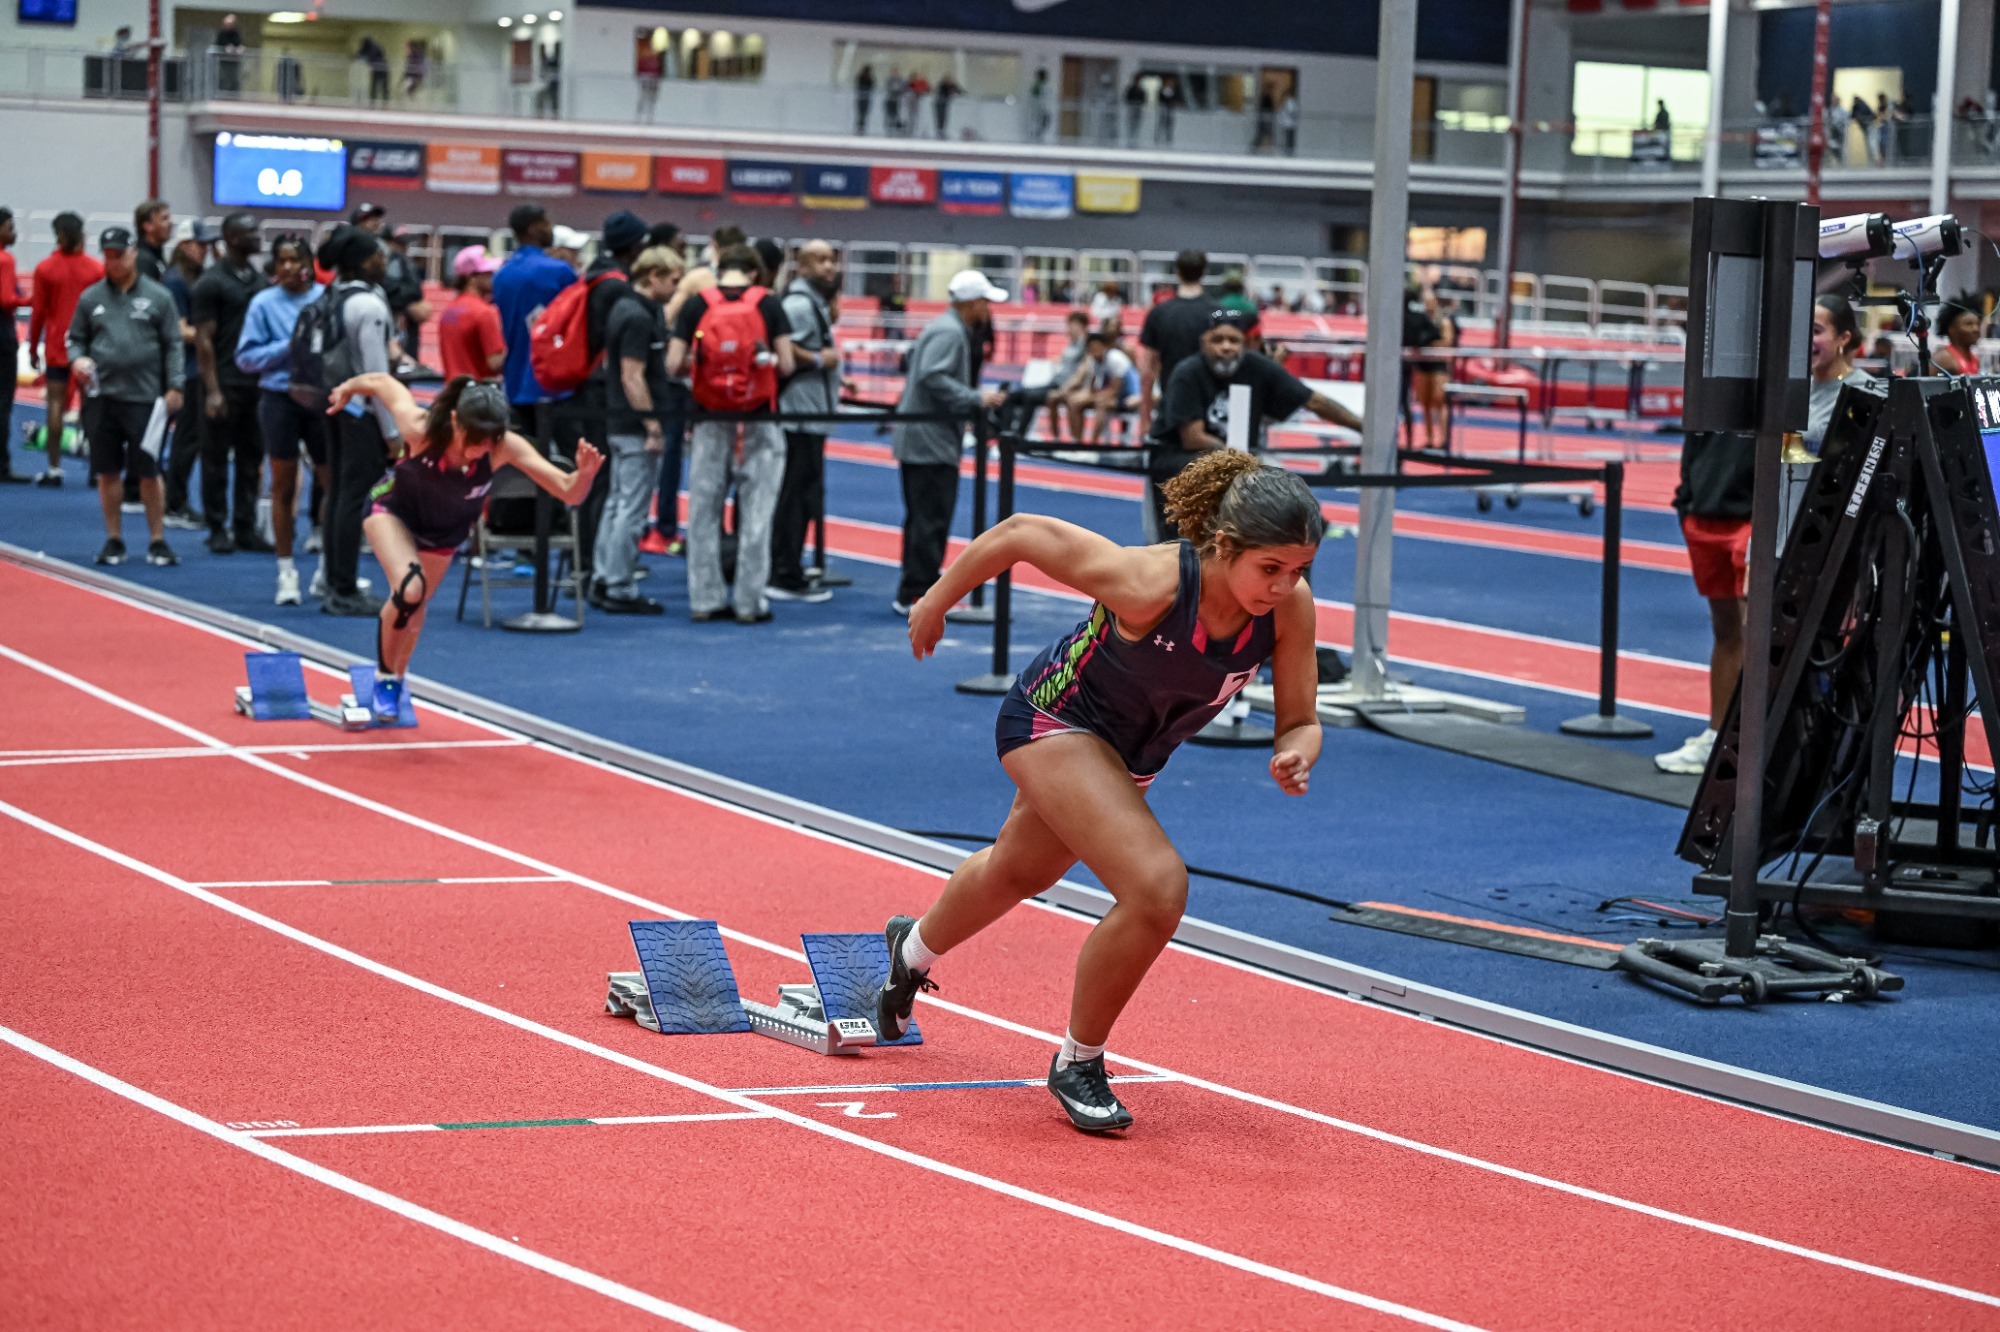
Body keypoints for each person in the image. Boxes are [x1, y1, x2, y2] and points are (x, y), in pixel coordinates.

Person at [877, 450, 1325, 1131]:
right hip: (1053, 720)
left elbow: (1300, 719)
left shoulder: (1288, 610)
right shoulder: (1149, 582)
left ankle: (909, 952)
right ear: (1224, 547)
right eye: (1271, 569)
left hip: (1127, 758)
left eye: (1299, 570)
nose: (1284, 585)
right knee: (1156, 886)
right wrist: (936, 599)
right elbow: (1022, 532)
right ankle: (1078, 1061)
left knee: (1016, 870)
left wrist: (1295, 750)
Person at [328, 374, 601, 720]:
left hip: (444, 532)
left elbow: (567, 490)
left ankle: (397, 678)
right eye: (473, 439)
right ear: (455, 420)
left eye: (490, 440)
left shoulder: (505, 447)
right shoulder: (421, 429)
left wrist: (586, 474)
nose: (480, 449)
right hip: (392, 511)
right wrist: (347, 387)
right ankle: (383, 678)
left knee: (416, 608)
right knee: (410, 589)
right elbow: (385, 383)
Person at [666, 243, 796, 623]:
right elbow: (786, 364)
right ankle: (749, 602)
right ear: (755, 273)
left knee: (704, 511)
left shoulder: (697, 304)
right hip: (760, 421)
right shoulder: (769, 304)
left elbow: (673, 364)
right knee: (757, 515)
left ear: (719, 267)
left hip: (709, 418)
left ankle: (704, 600)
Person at [1147, 310, 1362, 536]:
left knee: (1290, 495)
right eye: (1218, 340)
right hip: (1182, 459)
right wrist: (1246, 462)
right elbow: (1193, 438)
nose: (1226, 347)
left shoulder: (1256, 366)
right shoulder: (1187, 373)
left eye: (1233, 340)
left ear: (1245, 342)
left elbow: (1314, 401)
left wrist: (1363, 427)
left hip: (1240, 460)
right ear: (1203, 343)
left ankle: (1299, 539)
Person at [890, 270, 1008, 614]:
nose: (988, 309)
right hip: (930, 440)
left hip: (929, 437)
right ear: (970, 302)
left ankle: (918, 587)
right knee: (930, 517)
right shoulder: (950, 332)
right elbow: (931, 375)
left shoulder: (947, 328)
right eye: (985, 302)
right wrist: (975, 398)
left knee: (925, 517)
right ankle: (917, 592)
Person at [65, 226, 184, 567]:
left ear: (134, 253)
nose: (113, 262)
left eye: (119, 255)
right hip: (102, 397)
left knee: (148, 470)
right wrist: (78, 359)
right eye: (108, 256)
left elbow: (173, 344)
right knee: (107, 470)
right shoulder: (91, 298)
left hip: (144, 397)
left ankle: (157, 539)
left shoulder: (159, 297)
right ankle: (114, 538)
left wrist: (176, 385)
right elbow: (75, 338)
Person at [233, 235, 326, 604]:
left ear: (308, 263)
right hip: (279, 398)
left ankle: (326, 568)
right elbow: (246, 359)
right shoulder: (263, 304)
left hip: (320, 399)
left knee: (332, 486)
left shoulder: (325, 300)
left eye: (293, 260)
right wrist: (287, 347)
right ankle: (286, 571)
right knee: (282, 486)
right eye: (280, 260)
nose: (286, 267)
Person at [590, 244, 681, 614]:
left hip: (620, 420)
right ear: (654, 276)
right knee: (632, 506)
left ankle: (603, 575)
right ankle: (620, 584)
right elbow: (632, 376)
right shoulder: (637, 316)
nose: (677, 287)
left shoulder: (631, 309)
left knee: (617, 502)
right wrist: (652, 425)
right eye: (673, 280)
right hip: (631, 424)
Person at [316, 225, 398, 616]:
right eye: (379, 254)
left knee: (338, 495)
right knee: (352, 498)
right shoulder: (368, 306)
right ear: (366, 261)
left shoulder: (332, 295)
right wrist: (393, 432)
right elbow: (377, 376)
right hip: (359, 412)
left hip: (332, 404)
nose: (385, 261)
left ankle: (334, 581)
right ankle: (344, 587)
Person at [190, 211, 271, 555]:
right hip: (223, 382)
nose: (258, 235)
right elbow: (203, 340)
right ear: (233, 237)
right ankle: (217, 526)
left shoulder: (259, 280)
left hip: (256, 384)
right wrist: (212, 390)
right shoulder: (211, 282)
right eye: (251, 231)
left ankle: (244, 525)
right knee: (216, 459)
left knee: (252, 458)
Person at [770, 239, 842, 603]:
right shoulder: (799, 305)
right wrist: (819, 360)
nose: (830, 266)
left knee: (803, 496)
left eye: (832, 259)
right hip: (798, 417)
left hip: (809, 414)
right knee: (795, 498)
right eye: (821, 260)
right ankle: (784, 572)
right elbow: (783, 350)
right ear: (802, 265)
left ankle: (789, 566)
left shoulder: (812, 303)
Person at [27, 212, 105, 487]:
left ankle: (54, 469)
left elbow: (38, 313)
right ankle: (96, 470)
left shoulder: (46, 268)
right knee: (92, 407)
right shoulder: (96, 269)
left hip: (59, 346)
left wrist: (33, 346)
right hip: (90, 346)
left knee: (56, 404)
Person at [491, 203, 577, 436]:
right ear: (533, 229)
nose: (551, 229)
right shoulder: (560, 271)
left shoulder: (502, 274)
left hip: (516, 384)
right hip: (556, 385)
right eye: (546, 224)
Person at [159, 217, 213, 529]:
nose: (205, 250)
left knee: (190, 437)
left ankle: (175, 500)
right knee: (186, 437)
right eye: (200, 244)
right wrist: (212, 336)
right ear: (184, 245)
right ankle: (175, 502)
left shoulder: (191, 277)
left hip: (195, 366)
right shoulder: (177, 281)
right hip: (187, 368)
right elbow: (178, 330)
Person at [1138, 249, 1212, 441]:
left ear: (1177, 272)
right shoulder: (1217, 313)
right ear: (1204, 272)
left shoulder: (1159, 313)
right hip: (1208, 410)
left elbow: (1148, 371)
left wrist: (1145, 419)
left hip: (1171, 408)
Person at [436, 246, 505, 382]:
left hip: (452, 393)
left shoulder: (449, 310)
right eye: (488, 273)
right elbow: (495, 362)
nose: (493, 277)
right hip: (478, 396)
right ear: (471, 278)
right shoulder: (484, 312)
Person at [1057, 329, 1139, 444]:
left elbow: (1114, 390)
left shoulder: (1115, 359)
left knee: (1101, 404)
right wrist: (1084, 396)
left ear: (1104, 347)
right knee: (1074, 402)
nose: (1095, 350)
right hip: (1108, 394)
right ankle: (1077, 442)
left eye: (1097, 347)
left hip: (1128, 396)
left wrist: (1094, 396)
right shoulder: (1094, 360)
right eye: (1092, 348)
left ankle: (1093, 444)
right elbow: (1093, 387)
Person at [1404, 283, 1450, 449]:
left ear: (1436, 303)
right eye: (1426, 302)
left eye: (1431, 302)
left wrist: (1428, 344)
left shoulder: (1443, 322)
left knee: (1439, 402)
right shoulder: (1419, 320)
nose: (1428, 305)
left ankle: (1444, 438)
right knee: (1425, 403)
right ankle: (1430, 439)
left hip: (1438, 366)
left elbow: (1447, 342)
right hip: (1423, 365)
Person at [0, 208, 26, 483]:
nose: (14, 232)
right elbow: (6, 300)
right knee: (3, 401)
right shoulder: (5, 260)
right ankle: (2, 465)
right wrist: (31, 300)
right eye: (9, 227)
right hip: (2, 333)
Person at [379, 225, 430, 362]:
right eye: (399, 242)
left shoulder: (404, 262)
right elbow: (390, 291)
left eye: (406, 243)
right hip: (391, 330)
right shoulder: (390, 261)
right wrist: (409, 305)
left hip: (406, 333)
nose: (404, 247)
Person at [1044, 309, 1091, 440]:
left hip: (1081, 386)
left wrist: (1082, 334)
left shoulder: (1087, 342)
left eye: (1072, 325)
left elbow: (1084, 370)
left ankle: (1076, 440)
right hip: (1064, 383)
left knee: (1072, 401)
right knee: (1051, 398)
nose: (1068, 328)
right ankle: (1056, 438)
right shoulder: (1072, 342)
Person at [1934, 300, 1984, 377]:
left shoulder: (1975, 359)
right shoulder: (1944, 358)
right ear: (1951, 329)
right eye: (1969, 324)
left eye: (1978, 324)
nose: (1976, 329)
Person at [133, 200, 171, 284]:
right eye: (164, 219)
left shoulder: (157, 254)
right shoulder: (142, 260)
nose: (170, 223)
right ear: (148, 226)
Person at [636, 37, 663, 122]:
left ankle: (651, 115)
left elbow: (658, 69)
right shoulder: (644, 55)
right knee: (644, 96)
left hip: (654, 79)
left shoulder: (654, 57)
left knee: (653, 98)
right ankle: (640, 115)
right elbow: (640, 68)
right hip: (645, 78)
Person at [357, 35, 390, 105]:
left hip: (383, 69)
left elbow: (371, 55)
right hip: (376, 69)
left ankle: (384, 103)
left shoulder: (374, 47)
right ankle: (372, 102)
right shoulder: (367, 47)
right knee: (374, 86)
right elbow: (361, 53)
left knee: (383, 87)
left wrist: (366, 59)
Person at [935, 72, 961, 138]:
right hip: (941, 103)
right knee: (941, 117)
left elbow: (959, 91)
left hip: (944, 103)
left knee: (944, 117)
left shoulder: (952, 86)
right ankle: (940, 130)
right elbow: (941, 93)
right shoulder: (942, 86)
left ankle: (942, 130)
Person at [1029, 67, 1051, 142]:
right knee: (1037, 122)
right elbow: (1035, 98)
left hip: (1043, 107)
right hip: (1038, 107)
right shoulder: (1037, 86)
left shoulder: (1045, 86)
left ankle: (1040, 136)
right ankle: (1036, 137)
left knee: (1043, 122)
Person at [854, 63, 875, 134]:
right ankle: (859, 127)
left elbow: (872, 87)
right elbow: (859, 86)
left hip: (866, 98)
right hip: (861, 98)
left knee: (864, 114)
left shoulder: (870, 78)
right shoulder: (861, 77)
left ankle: (863, 127)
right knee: (860, 113)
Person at [1276, 91, 1300, 155]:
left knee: (1289, 138)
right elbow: (1291, 111)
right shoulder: (1289, 102)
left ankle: (1289, 151)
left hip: (1289, 124)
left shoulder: (1289, 102)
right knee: (1288, 138)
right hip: (1288, 124)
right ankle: (1288, 151)